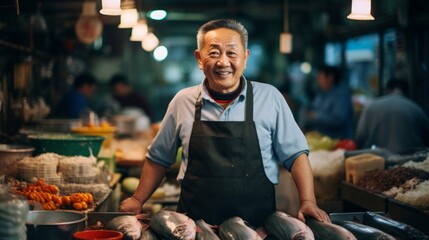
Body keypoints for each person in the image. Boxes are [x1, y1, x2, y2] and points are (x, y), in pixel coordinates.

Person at [119, 19, 330, 227]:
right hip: (194, 228)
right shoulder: (182, 101)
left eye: (231, 52)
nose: (223, 62)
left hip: (257, 229)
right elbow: (158, 158)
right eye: (213, 52)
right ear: (199, 58)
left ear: (245, 58)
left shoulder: (270, 98)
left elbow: (295, 155)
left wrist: (308, 201)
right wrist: (138, 199)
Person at [356, 78, 429, 153]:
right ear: (406, 91)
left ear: (388, 90)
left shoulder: (370, 106)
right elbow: (426, 140)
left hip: (377, 161)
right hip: (408, 161)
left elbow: (360, 139)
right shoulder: (416, 109)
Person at [301, 65, 354, 139]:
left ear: (330, 78)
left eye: (320, 77)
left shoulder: (341, 95)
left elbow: (339, 120)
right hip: (320, 138)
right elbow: (313, 109)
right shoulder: (321, 94)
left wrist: (316, 117)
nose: (318, 80)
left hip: (337, 140)